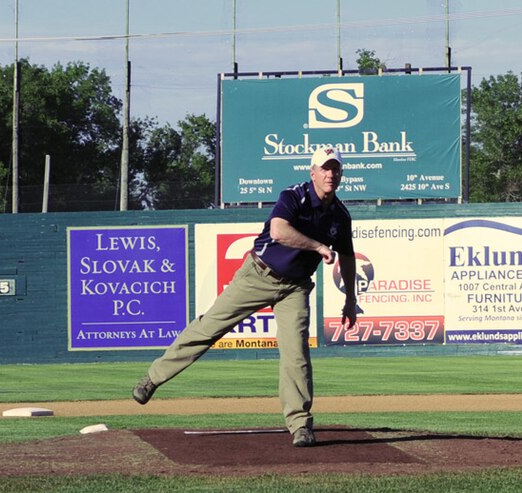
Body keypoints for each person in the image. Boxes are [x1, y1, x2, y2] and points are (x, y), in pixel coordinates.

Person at [132, 146, 360, 447]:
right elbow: (279, 231)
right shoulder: (294, 196)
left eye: (336, 169)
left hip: (295, 287)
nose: (331, 174)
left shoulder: (340, 216)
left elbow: (347, 257)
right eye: (325, 168)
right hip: (258, 274)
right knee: (208, 327)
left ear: (341, 174)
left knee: (296, 354)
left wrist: (349, 299)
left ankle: (300, 425)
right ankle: (153, 378)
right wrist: (317, 246)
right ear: (313, 172)